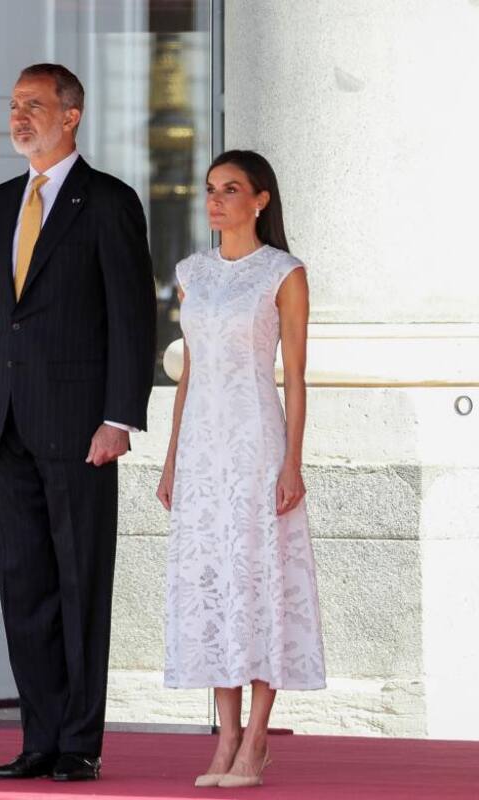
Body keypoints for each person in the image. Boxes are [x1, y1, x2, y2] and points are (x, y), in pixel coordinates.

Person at [0, 63, 156, 782]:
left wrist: (118, 415)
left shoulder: (107, 201)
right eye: (14, 105)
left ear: (71, 116)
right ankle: (38, 739)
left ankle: (79, 742)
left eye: (35, 106)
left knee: (80, 586)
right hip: (8, 426)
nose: (19, 117)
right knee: (24, 588)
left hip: (81, 429)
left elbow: (132, 318)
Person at [156, 150, 325, 789]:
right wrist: (172, 460)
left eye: (231, 189)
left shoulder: (284, 272)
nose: (216, 200)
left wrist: (293, 462)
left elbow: (298, 378)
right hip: (201, 448)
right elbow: (189, 373)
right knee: (213, 582)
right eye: (210, 189)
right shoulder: (191, 272)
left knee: (258, 578)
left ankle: (256, 738)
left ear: (260, 200)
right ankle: (224, 736)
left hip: (257, 442)